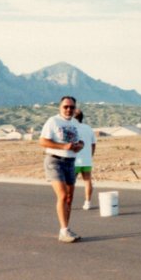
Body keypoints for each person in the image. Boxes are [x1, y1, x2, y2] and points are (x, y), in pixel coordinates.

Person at [39, 96, 84, 243]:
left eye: (71, 107)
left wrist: (80, 146)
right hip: (55, 161)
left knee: (70, 198)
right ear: (60, 107)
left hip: (70, 161)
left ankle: (66, 228)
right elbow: (42, 141)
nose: (68, 109)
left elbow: (80, 141)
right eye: (66, 107)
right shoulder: (53, 121)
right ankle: (63, 231)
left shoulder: (76, 123)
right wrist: (63, 146)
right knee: (63, 195)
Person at [73, 109, 97, 210]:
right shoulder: (88, 128)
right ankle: (87, 202)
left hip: (74, 160)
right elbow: (93, 144)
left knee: (70, 182)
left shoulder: (72, 128)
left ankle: (67, 202)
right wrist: (90, 155)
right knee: (87, 181)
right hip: (86, 160)